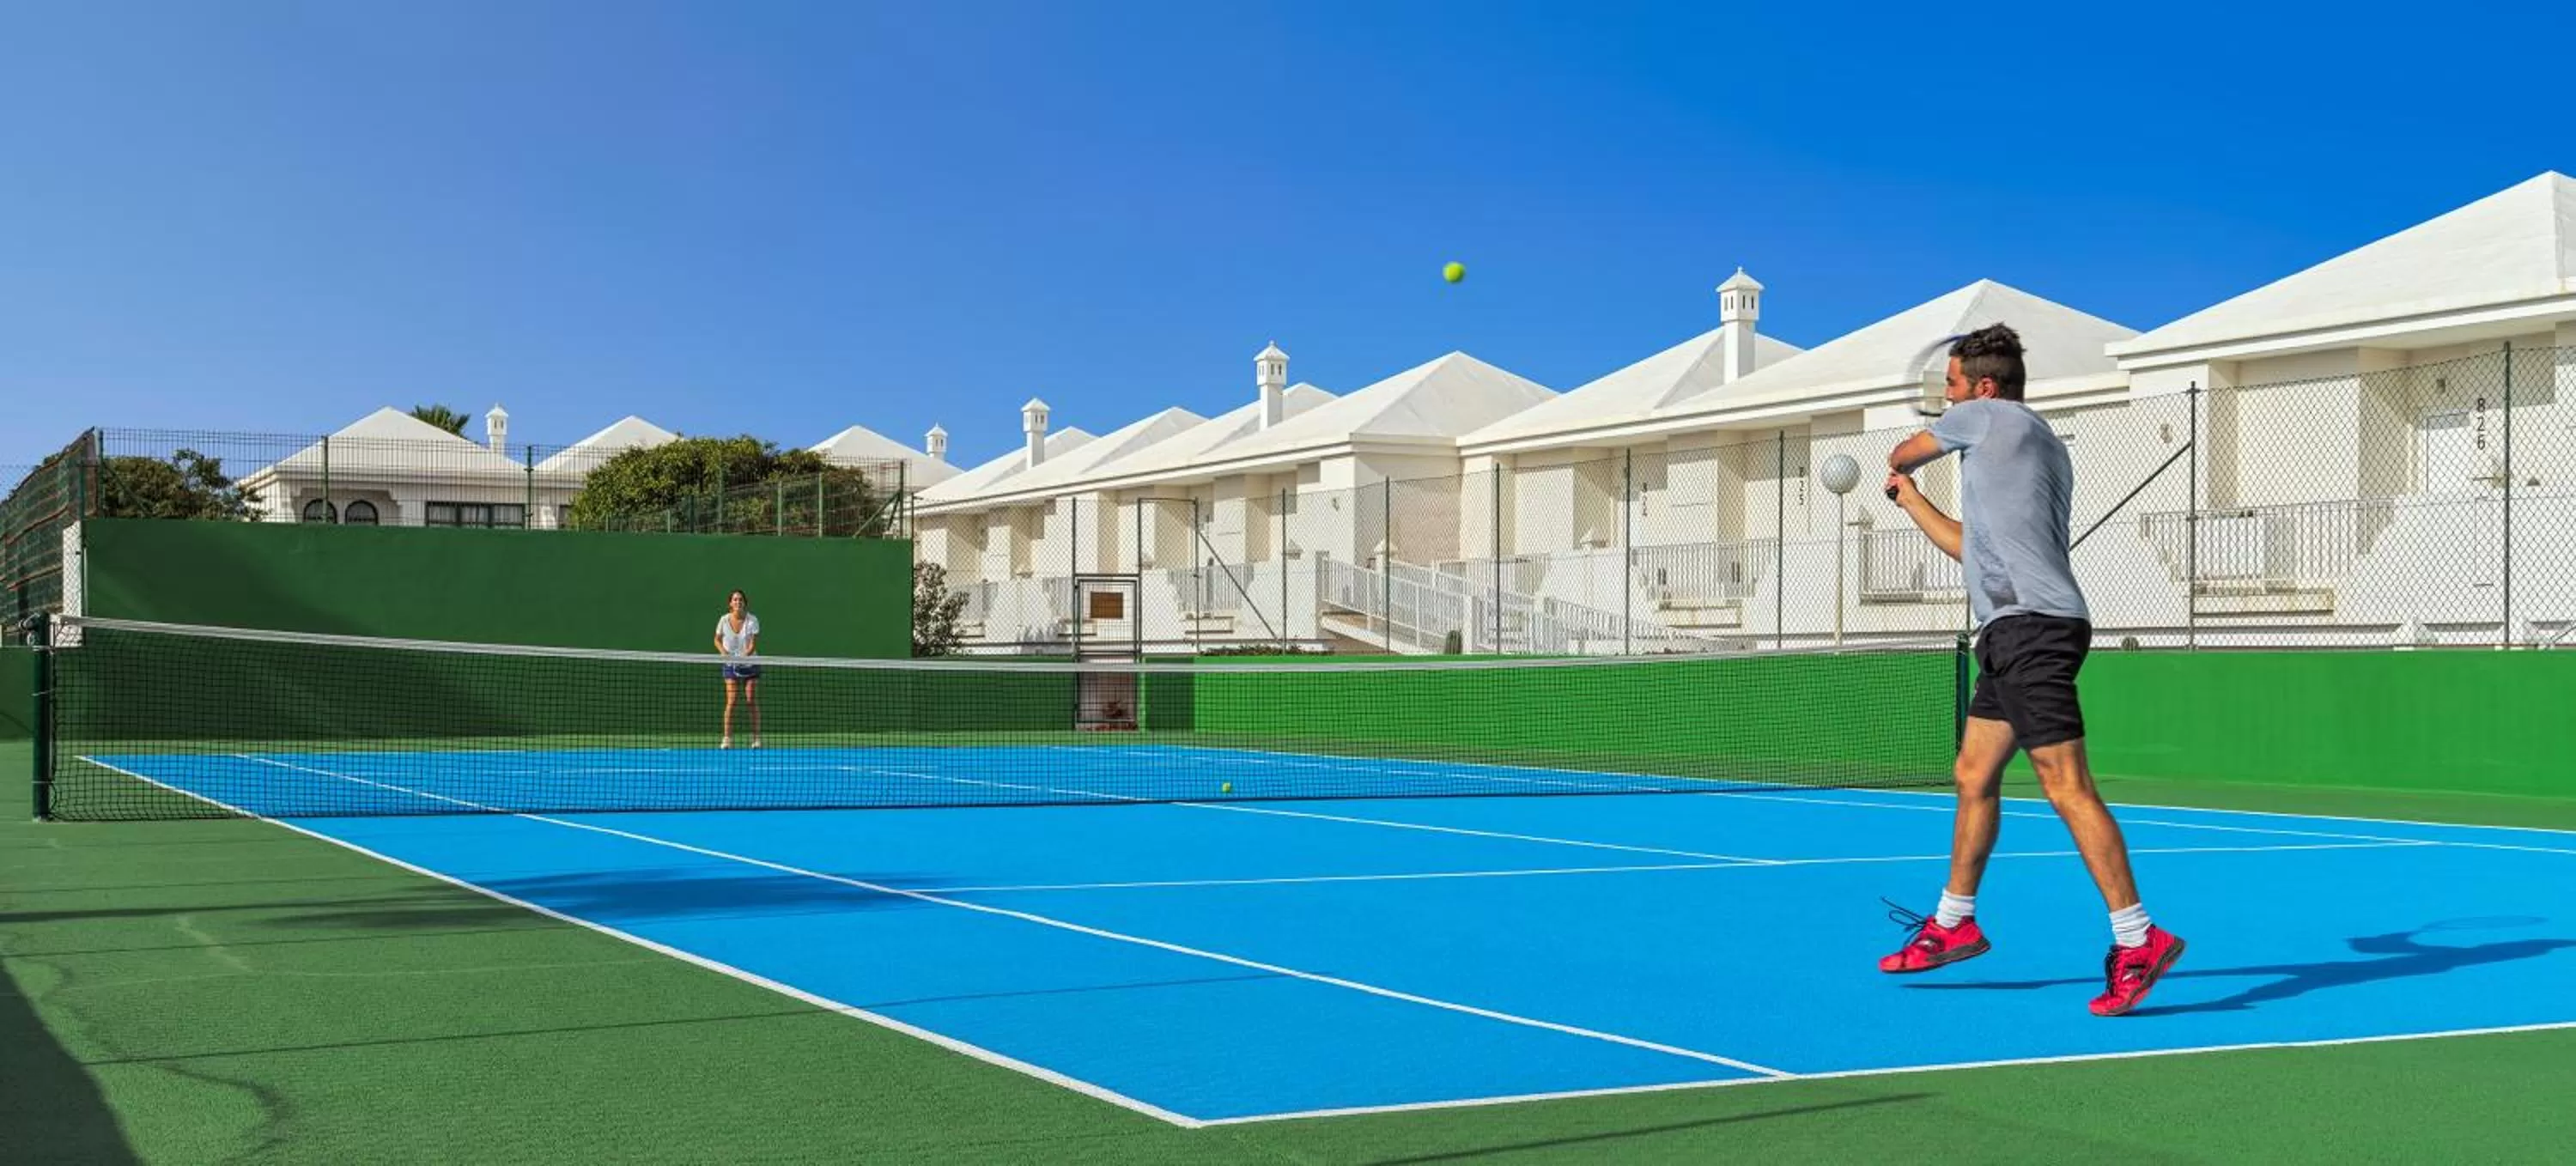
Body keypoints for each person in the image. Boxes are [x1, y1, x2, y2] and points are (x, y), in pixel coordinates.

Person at [1880, 324, 2184, 1017]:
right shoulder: (2038, 445)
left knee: (2065, 785)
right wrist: (1911, 499)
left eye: (1951, 387)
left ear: (1982, 388)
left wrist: (1902, 465)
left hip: (2030, 629)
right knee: (1973, 774)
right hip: (2014, 625)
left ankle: (2138, 938)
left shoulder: (1983, 419)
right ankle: (1955, 922)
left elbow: (1904, 449)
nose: (1946, 401)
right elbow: (1972, 549)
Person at [714, 589, 762, 749]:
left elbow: (753, 644)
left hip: (750, 664)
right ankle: (727, 738)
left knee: (750, 700)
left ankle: (756, 739)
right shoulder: (723, 620)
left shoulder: (752, 620)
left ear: (744, 603)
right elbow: (717, 640)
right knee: (732, 701)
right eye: (735, 600)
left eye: (740, 600)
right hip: (730, 666)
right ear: (730, 603)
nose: (738, 602)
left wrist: (743, 657)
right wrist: (725, 655)